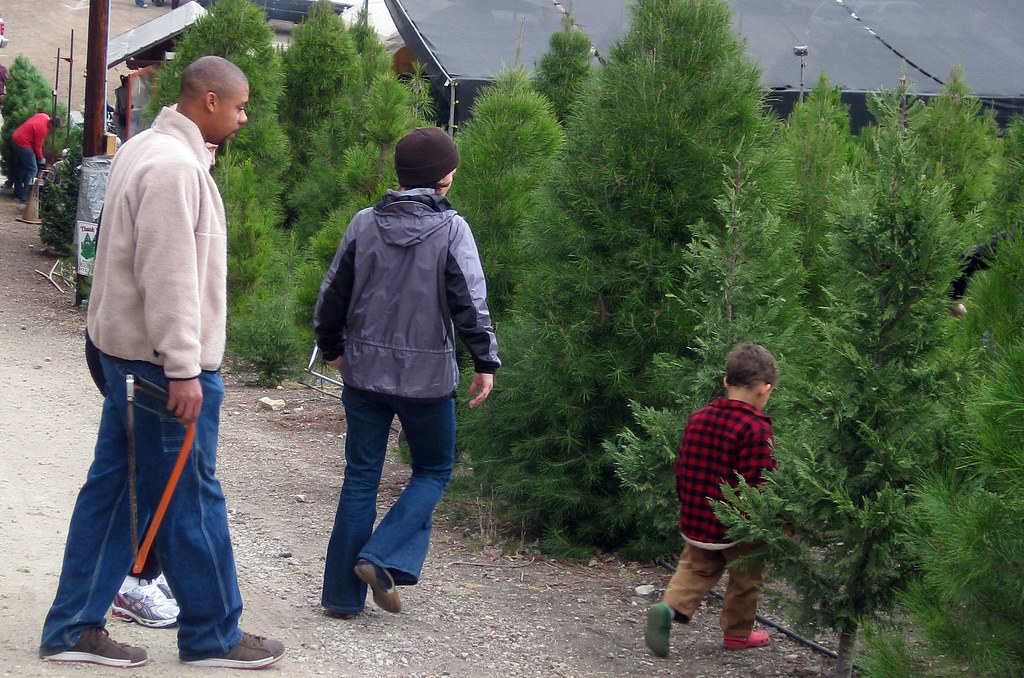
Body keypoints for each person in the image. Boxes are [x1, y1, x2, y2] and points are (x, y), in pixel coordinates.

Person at [38, 55, 285, 669]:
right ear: (208, 102)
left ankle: (73, 628)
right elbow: (168, 276)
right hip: (159, 370)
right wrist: (183, 368)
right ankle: (213, 635)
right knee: (191, 498)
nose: (244, 115)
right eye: (239, 105)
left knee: (115, 495)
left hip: (127, 361)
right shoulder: (174, 169)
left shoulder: (142, 148)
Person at [314, 126, 500, 617]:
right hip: (427, 380)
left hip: (363, 374)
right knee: (434, 469)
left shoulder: (362, 223)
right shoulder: (452, 229)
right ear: (443, 178)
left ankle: (339, 598)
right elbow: (470, 304)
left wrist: (333, 347)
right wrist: (485, 362)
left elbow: (332, 294)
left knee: (360, 479)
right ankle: (381, 555)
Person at [645, 342, 778, 657]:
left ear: (725, 382)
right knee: (747, 577)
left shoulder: (699, 417)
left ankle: (668, 609)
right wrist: (774, 524)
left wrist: (688, 505)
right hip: (738, 527)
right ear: (765, 389)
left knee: (694, 567)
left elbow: (684, 466)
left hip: (699, 518)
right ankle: (737, 634)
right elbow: (760, 485)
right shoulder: (757, 430)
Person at [11, 112, 61, 203]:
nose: (53, 131)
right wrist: (42, 160)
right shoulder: (42, 129)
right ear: (52, 124)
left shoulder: (44, 116)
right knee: (32, 170)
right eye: (54, 129)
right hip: (23, 144)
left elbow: (34, 117)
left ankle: (17, 194)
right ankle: (25, 198)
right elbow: (37, 147)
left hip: (15, 138)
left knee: (20, 169)